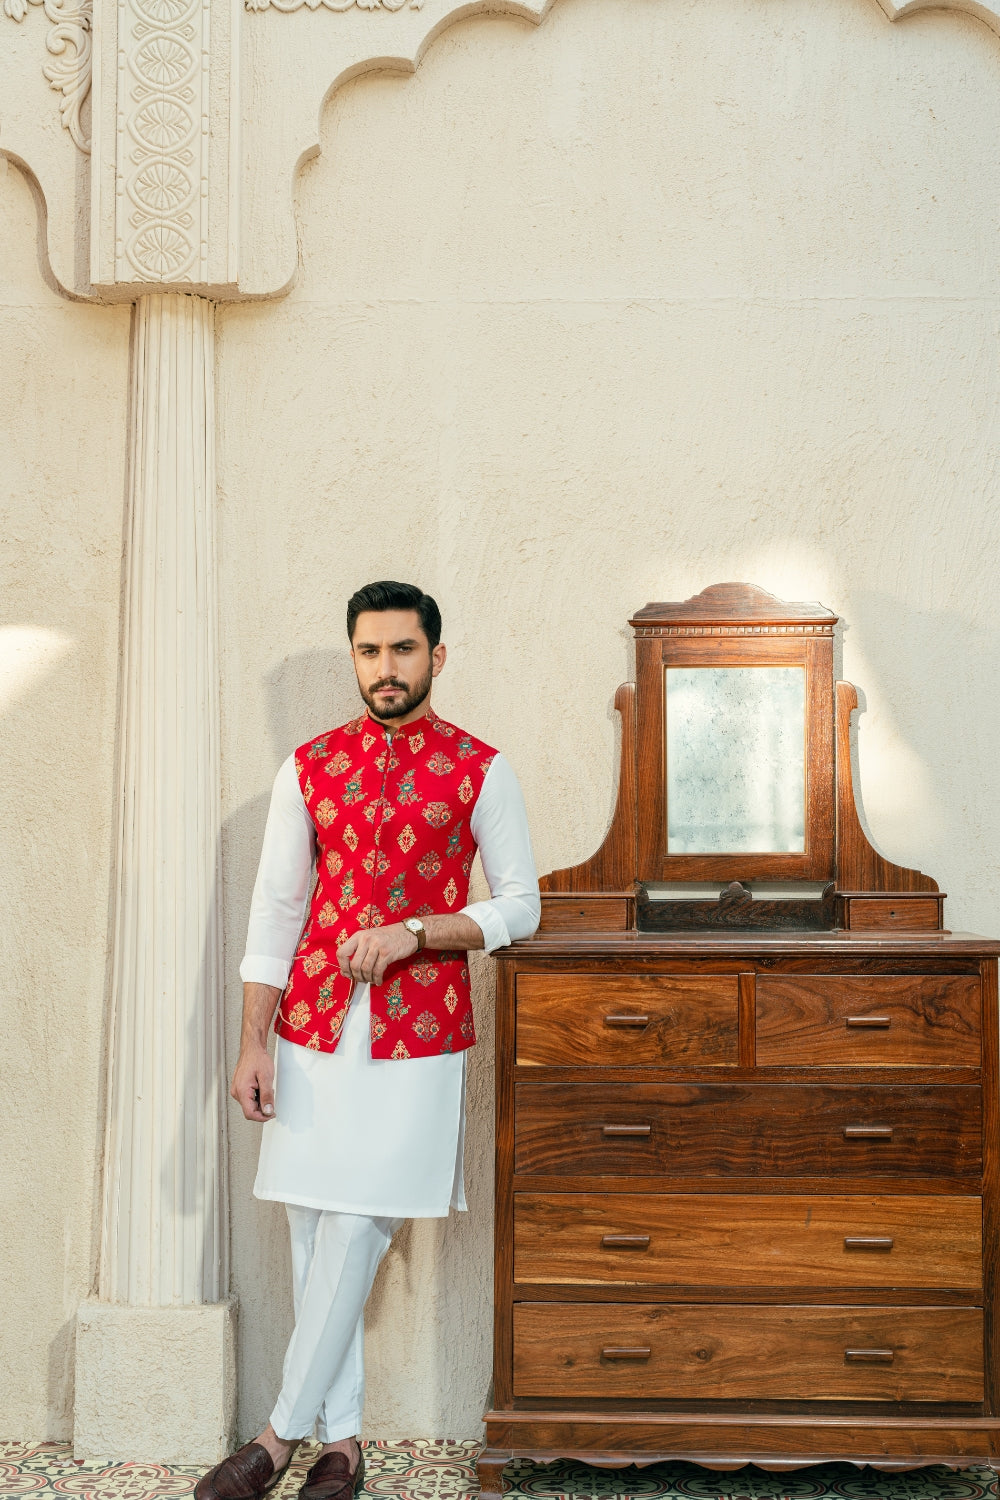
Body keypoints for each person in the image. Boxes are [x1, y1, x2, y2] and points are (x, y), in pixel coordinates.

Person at [195, 581, 540, 1500]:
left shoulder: (479, 769)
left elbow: (521, 905)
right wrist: (252, 1042)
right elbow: (275, 911)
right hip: (309, 1025)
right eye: (368, 652)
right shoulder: (308, 767)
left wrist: (418, 932)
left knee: (356, 1225)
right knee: (313, 1224)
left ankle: (275, 1438)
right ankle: (342, 1448)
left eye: (402, 650)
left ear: (435, 655)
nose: (384, 669)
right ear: (354, 655)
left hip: (419, 1034)